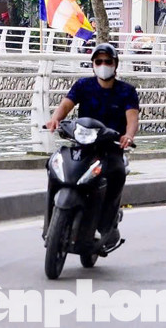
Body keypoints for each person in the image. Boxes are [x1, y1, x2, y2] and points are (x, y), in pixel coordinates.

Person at [45, 42, 139, 249]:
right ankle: (50, 219)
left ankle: (106, 225)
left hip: (111, 148)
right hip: (83, 146)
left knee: (117, 173)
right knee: (53, 164)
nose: (103, 65)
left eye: (108, 61)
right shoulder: (83, 86)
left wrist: (128, 136)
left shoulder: (127, 91)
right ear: (93, 65)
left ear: (115, 64)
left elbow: (132, 119)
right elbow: (66, 105)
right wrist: (55, 119)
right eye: (99, 61)